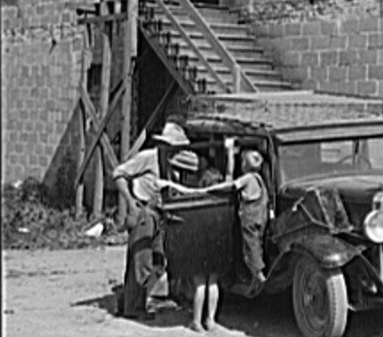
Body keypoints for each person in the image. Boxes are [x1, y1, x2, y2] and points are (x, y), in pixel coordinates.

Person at [112, 121, 192, 320]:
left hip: (159, 214)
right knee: (141, 260)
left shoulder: (173, 163)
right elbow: (119, 174)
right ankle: (134, 307)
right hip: (144, 211)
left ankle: (131, 301)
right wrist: (130, 202)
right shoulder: (148, 158)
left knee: (156, 259)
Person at [198, 145, 270, 295]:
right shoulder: (260, 179)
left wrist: (209, 190)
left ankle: (259, 276)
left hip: (249, 220)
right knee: (258, 244)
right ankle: (255, 277)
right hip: (260, 218)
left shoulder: (247, 178)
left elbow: (231, 185)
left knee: (250, 249)